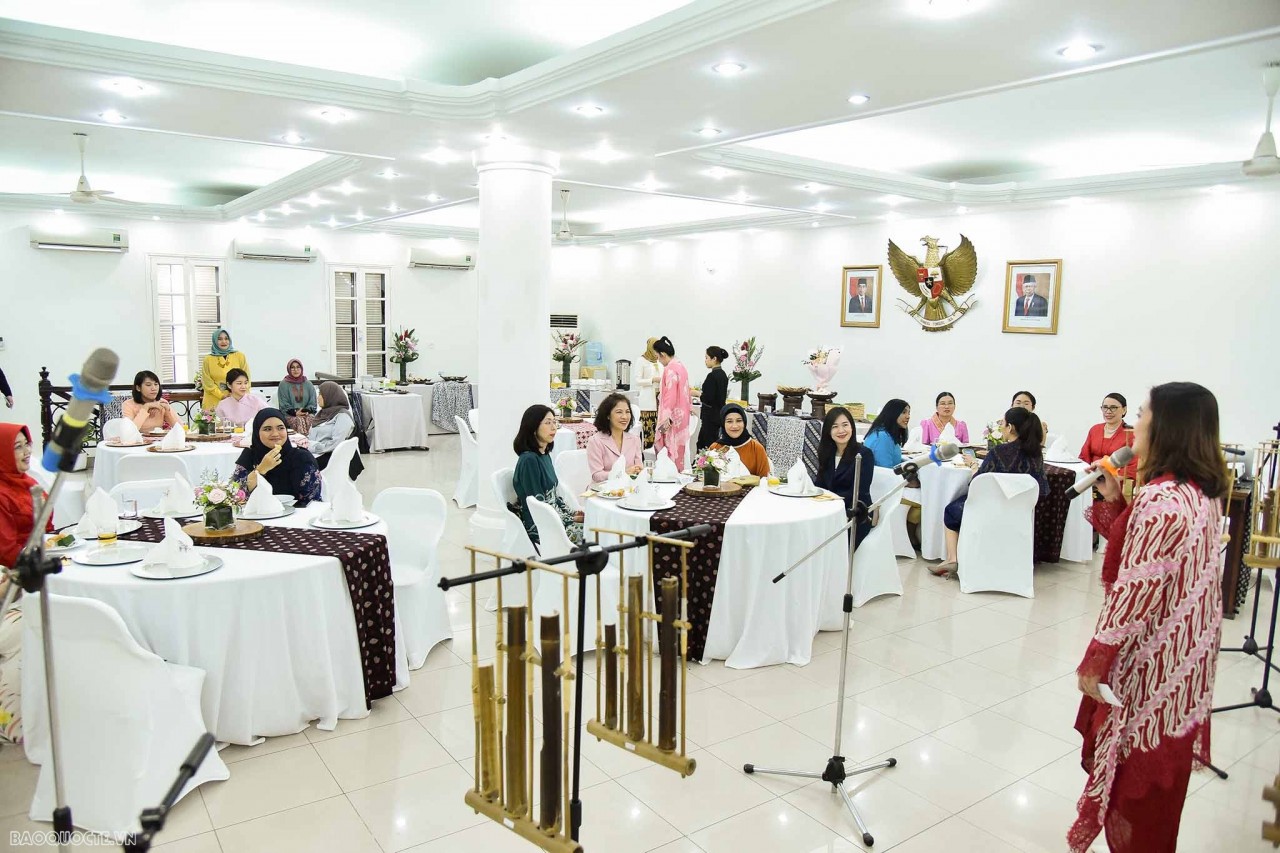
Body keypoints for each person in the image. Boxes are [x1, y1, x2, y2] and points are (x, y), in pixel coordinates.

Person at [1068, 382, 1227, 853]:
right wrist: (1119, 501)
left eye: (1141, 413)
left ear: (1167, 426)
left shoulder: (1162, 500)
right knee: (1161, 794)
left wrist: (1095, 661)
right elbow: (1154, 558)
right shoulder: (1199, 492)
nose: (1133, 423)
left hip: (1152, 665)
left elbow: (1135, 587)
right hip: (1185, 664)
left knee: (1135, 791)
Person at [936, 407, 1047, 576]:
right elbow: (1043, 489)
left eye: (1002, 423)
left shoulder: (998, 452)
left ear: (1010, 427)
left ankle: (952, 559)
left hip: (990, 511)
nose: (1001, 427)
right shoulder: (1036, 454)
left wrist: (973, 466)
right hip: (1020, 513)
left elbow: (977, 484)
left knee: (951, 511)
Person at [512, 405, 582, 547]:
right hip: (541, 527)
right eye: (547, 422)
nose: (554, 427)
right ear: (533, 427)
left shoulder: (544, 455)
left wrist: (572, 514)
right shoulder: (529, 461)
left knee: (595, 526)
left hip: (554, 519)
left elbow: (554, 497)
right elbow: (540, 507)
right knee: (596, 533)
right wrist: (569, 519)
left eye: (554, 422)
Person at [232, 408, 321, 505]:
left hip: (296, 516)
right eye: (267, 429)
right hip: (255, 515)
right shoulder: (249, 455)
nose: (275, 434)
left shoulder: (302, 458)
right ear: (257, 432)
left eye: (280, 428)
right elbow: (236, 495)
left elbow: (312, 501)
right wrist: (261, 469)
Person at [814, 407, 875, 545]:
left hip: (855, 514)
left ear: (852, 427)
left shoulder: (864, 454)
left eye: (845, 425)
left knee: (828, 542)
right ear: (828, 432)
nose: (841, 431)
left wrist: (830, 501)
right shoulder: (827, 453)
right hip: (828, 511)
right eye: (835, 426)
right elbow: (820, 484)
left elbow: (859, 492)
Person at [0, 423, 53, 570]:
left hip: (43, 553)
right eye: (18, 447)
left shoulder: (27, 482)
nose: (27, 452)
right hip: (22, 571)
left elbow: (46, 528)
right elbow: (6, 552)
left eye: (27, 444)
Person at [652, 336, 691, 472]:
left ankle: (669, 477)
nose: (658, 360)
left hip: (671, 417)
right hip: (682, 415)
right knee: (679, 450)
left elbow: (670, 396)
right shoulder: (681, 366)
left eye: (657, 356)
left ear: (662, 355)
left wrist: (665, 420)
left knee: (667, 449)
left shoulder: (670, 369)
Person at [587, 393, 643, 483]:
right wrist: (622, 473)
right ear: (608, 415)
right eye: (619, 412)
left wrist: (639, 471)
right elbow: (596, 475)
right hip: (602, 491)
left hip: (629, 489)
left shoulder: (635, 440)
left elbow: (638, 468)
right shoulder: (595, 441)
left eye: (627, 412)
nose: (625, 417)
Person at [709, 403, 770, 477]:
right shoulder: (715, 448)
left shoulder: (756, 448)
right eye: (729, 421)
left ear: (744, 423)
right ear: (723, 424)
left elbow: (765, 480)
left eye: (739, 421)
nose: (734, 426)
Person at [201, 328, 249, 411]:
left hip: (236, 398)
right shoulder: (208, 359)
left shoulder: (240, 356)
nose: (224, 341)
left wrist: (241, 396)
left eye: (226, 338)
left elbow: (246, 378)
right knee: (216, 422)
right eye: (219, 339)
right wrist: (222, 395)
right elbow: (207, 382)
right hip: (214, 400)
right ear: (215, 341)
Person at [308, 382, 356, 458]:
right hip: (317, 453)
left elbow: (336, 443)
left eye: (321, 394)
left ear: (330, 396)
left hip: (332, 457)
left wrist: (313, 447)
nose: (318, 397)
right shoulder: (321, 414)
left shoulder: (343, 416)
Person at [695, 346, 729, 451]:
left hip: (710, 417)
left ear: (714, 359)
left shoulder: (712, 376)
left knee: (704, 445)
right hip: (718, 416)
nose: (705, 361)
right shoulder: (723, 375)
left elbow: (708, 398)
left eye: (706, 358)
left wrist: (696, 393)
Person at [862, 399, 910, 469]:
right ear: (893, 413)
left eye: (909, 413)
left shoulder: (886, 433)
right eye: (904, 412)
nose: (908, 416)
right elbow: (886, 470)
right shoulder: (882, 437)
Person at [635, 337, 664, 448]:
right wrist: (652, 380)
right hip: (647, 399)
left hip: (660, 398)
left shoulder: (660, 360)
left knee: (659, 429)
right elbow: (637, 380)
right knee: (648, 430)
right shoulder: (641, 360)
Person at [277, 359, 318, 434]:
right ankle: (301, 443)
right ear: (289, 369)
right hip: (289, 415)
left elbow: (313, 402)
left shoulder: (308, 384)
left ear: (301, 369)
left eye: (298, 367)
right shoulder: (283, 384)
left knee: (310, 420)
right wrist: (295, 412)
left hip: (307, 413)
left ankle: (312, 442)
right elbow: (283, 404)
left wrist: (305, 411)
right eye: (292, 367)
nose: (296, 370)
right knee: (298, 420)